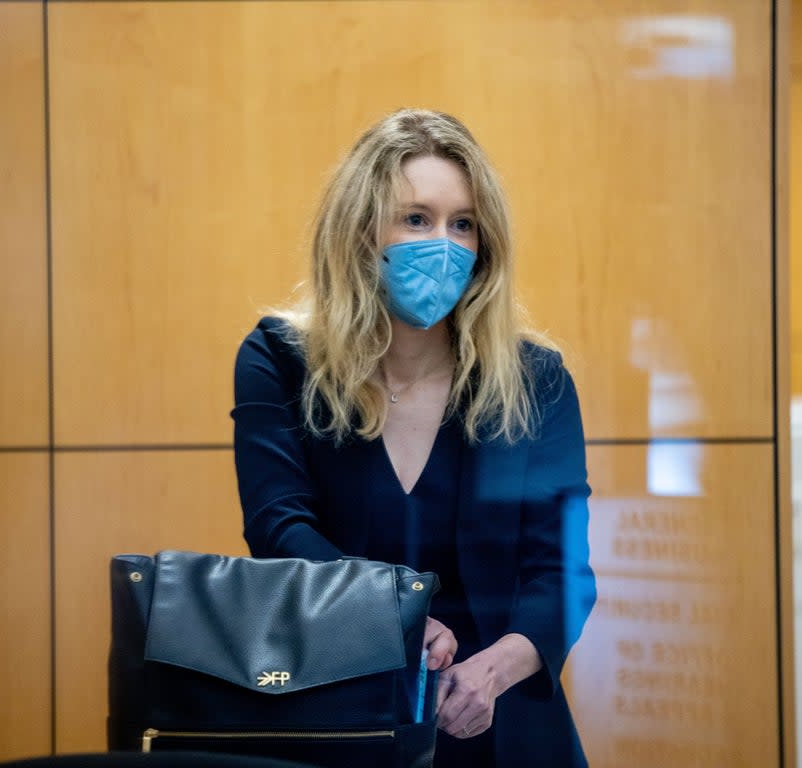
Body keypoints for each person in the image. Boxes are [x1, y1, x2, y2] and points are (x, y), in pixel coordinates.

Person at [232, 108, 596, 768]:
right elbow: (278, 531)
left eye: (463, 224)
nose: (444, 243)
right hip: (333, 716)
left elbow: (562, 573)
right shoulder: (280, 361)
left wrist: (493, 671)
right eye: (417, 219)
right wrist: (391, 619)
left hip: (500, 721)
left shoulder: (536, 380)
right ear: (360, 231)